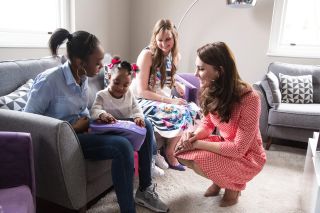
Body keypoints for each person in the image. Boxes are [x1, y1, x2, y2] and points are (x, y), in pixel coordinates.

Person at [24, 28, 169, 213]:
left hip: (89, 128)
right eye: (98, 62)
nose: (102, 66)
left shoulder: (81, 76)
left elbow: (84, 110)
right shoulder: (49, 81)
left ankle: (145, 190)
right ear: (79, 62)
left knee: (145, 124)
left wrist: (100, 118)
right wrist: (74, 128)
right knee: (122, 146)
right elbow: (29, 123)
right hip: (68, 139)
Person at [175, 42, 266, 207]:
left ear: (220, 71)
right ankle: (220, 180)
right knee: (181, 152)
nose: (196, 74)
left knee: (199, 156)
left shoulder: (251, 99)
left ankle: (232, 188)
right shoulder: (211, 88)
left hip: (247, 155)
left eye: (201, 69)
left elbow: (238, 149)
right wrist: (194, 135)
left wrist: (197, 143)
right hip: (226, 146)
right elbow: (208, 122)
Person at [132, 19, 199, 171]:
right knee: (178, 110)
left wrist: (176, 84)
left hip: (161, 98)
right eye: (160, 40)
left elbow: (166, 75)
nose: (164, 43)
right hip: (143, 99)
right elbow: (142, 91)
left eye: (168, 39)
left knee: (193, 111)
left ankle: (170, 150)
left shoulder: (175, 56)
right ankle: (167, 153)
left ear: (174, 37)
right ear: (155, 39)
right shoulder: (147, 55)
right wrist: (170, 101)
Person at [91, 56, 164, 177]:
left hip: (127, 127)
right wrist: (102, 114)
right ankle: (150, 160)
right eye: (116, 82)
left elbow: (136, 108)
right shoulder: (102, 95)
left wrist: (138, 117)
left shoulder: (129, 94)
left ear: (130, 84)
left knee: (147, 124)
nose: (120, 88)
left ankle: (151, 159)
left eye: (125, 85)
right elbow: (94, 111)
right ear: (109, 78)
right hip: (110, 129)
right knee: (145, 127)